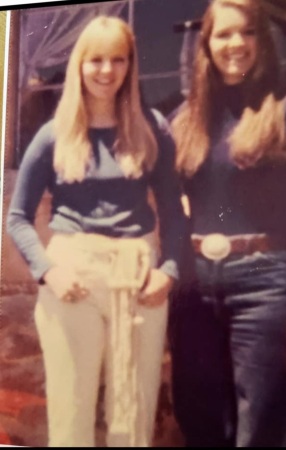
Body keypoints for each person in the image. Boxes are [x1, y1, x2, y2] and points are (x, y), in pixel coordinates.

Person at [7, 16, 185, 447]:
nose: (107, 71)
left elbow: (174, 212)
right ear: (79, 65)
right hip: (74, 277)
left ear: (130, 66)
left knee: (133, 410)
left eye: (118, 60)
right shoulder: (53, 136)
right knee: (71, 410)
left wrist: (170, 269)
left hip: (137, 278)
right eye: (96, 60)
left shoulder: (152, 128)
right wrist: (48, 271)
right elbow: (17, 217)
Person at [169, 0, 286, 447]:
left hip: (268, 284)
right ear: (206, 44)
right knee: (198, 419)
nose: (235, 43)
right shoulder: (186, 119)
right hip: (194, 291)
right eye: (223, 34)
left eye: (247, 32)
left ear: (264, 39)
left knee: (262, 429)